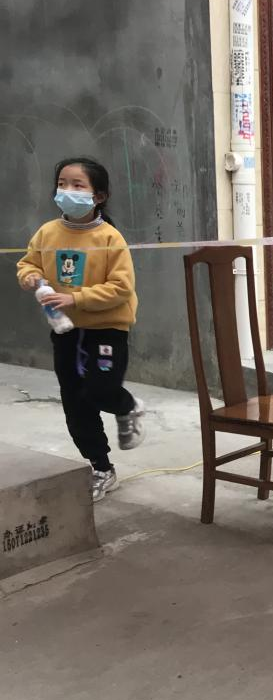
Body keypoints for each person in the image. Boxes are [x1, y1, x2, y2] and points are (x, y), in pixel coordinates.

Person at [16, 157, 146, 502]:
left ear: (98, 196)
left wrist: (74, 298)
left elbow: (121, 288)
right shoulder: (47, 232)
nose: (67, 191)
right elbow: (27, 262)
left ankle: (127, 405)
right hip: (66, 332)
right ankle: (101, 467)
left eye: (77, 185)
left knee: (101, 390)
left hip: (106, 330)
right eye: (62, 184)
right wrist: (30, 277)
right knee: (74, 402)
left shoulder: (110, 238)